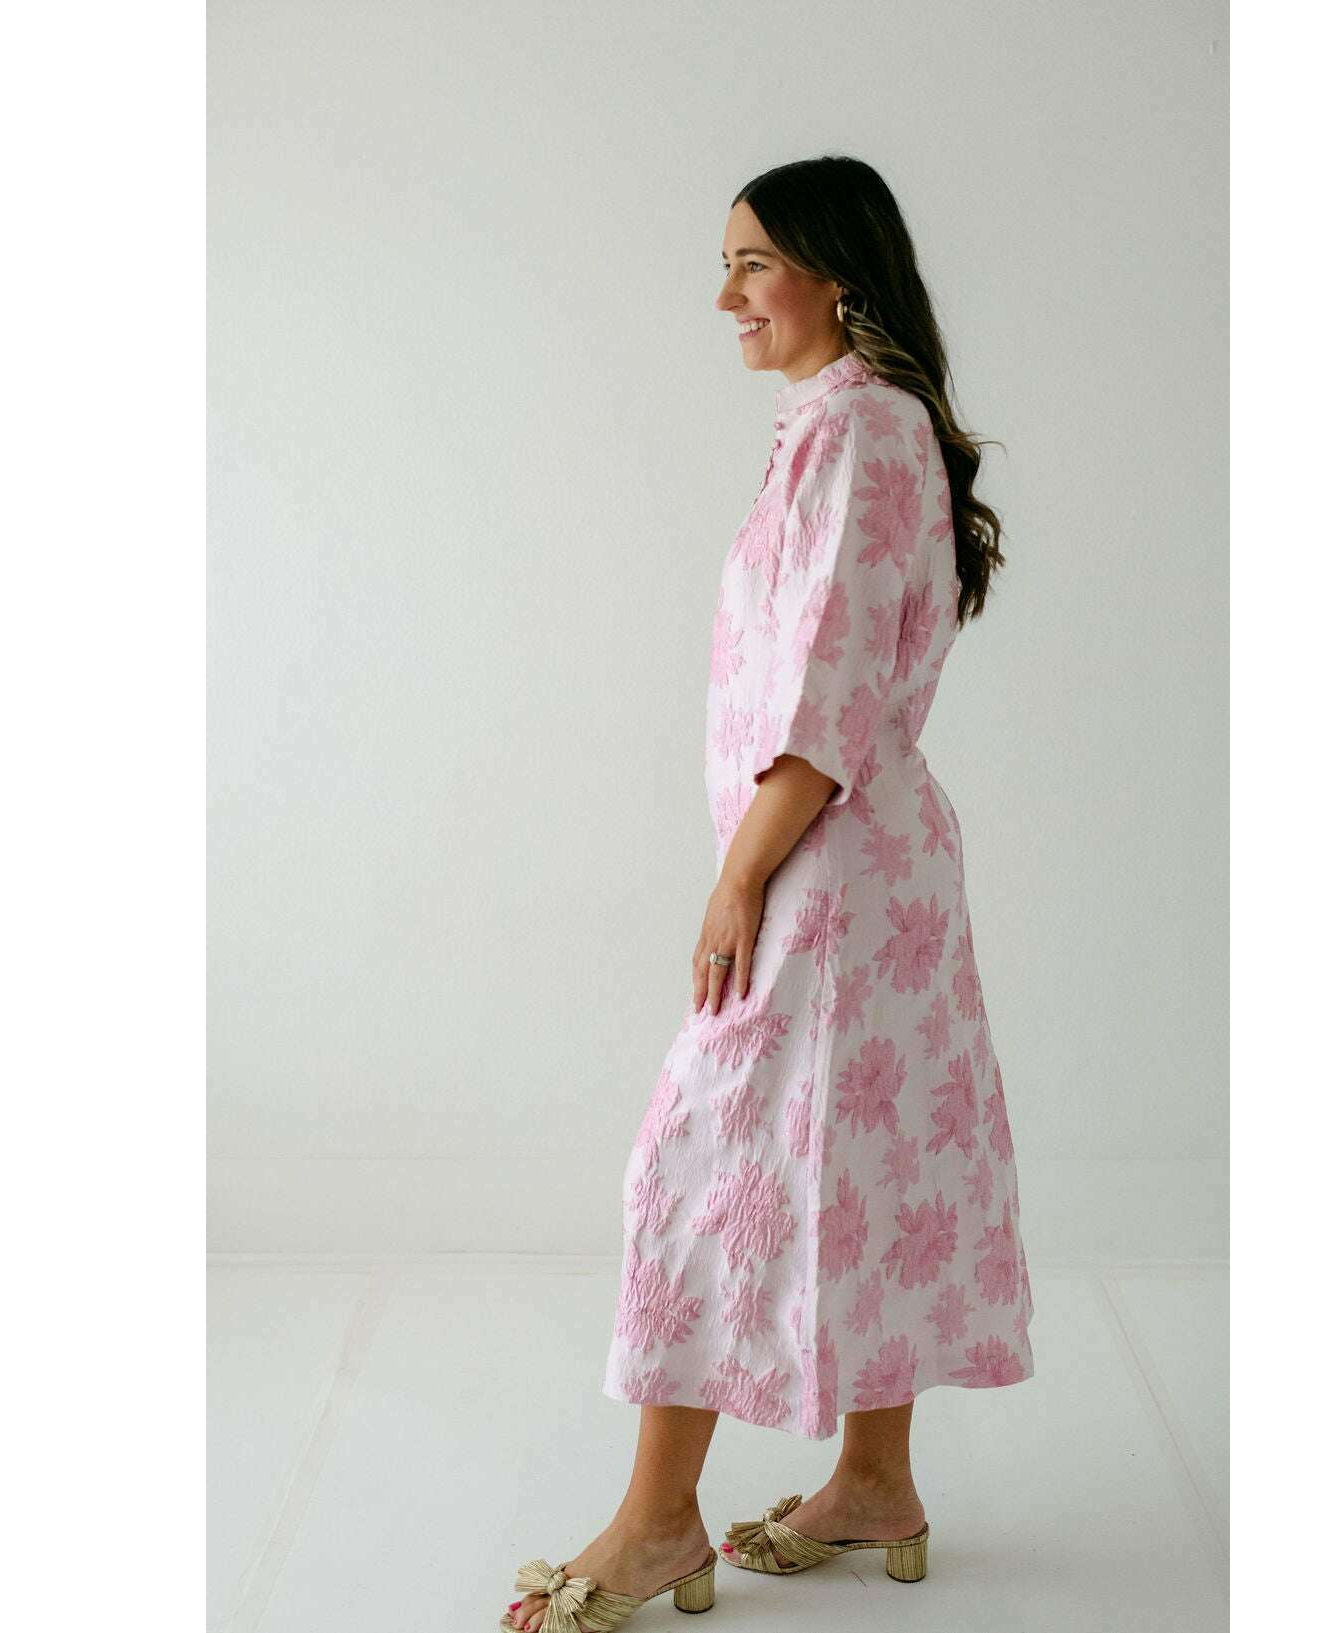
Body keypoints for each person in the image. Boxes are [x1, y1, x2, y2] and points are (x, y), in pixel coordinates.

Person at [501, 155, 1035, 1633]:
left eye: (751, 262)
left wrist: (738, 874)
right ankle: (873, 1482)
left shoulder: (861, 430)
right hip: (862, 861)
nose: (726, 293)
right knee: (870, 1158)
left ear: (834, 275)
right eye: (726, 263)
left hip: (828, 865)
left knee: (697, 1163)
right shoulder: (844, 425)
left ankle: (656, 1522)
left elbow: (831, 688)